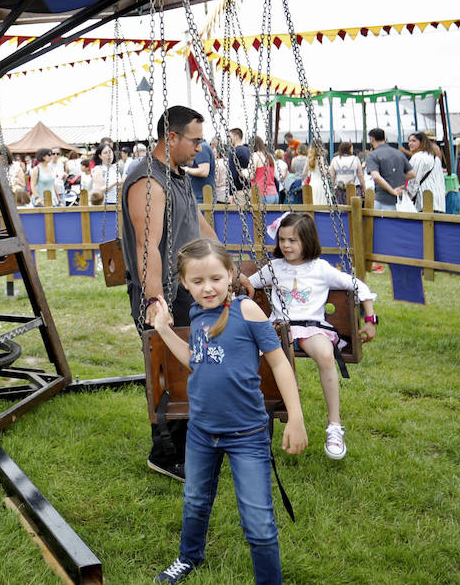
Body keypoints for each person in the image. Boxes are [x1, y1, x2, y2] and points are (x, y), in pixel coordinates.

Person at [149, 237, 306, 585]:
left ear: (231, 275)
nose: (208, 288)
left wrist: (295, 418)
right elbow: (197, 359)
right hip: (202, 432)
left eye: (216, 279)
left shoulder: (246, 310)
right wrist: (162, 329)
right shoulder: (196, 313)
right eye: (198, 281)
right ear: (186, 284)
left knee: (259, 524)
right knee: (195, 501)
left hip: (247, 435)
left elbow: (279, 364)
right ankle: (189, 557)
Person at [121, 105, 220, 481]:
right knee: (169, 373)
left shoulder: (177, 176)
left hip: (186, 290)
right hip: (162, 293)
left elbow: (197, 223)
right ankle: (164, 455)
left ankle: (190, 444)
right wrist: (153, 300)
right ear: (172, 137)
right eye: (194, 140)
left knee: (192, 369)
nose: (200, 148)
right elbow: (148, 245)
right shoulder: (149, 182)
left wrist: (225, 266)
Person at [254, 212, 377, 461]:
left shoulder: (320, 268)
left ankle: (334, 426)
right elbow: (249, 283)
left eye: (293, 240)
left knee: (325, 354)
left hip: (311, 327)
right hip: (279, 327)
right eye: (282, 240)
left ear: (307, 241)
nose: (286, 246)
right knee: (256, 357)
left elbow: (358, 286)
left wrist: (370, 319)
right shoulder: (274, 267)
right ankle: (256, 419)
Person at [365, 128, 412, 211]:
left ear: (372, 139)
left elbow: (376, 177)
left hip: (382, 200)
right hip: (400, 202)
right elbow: (412, 173)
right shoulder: (399, 153)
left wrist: (392, 191)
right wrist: (396, 177)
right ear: (384, 138)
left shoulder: (372, 155)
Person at [406, 132, 447, 213]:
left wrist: (407, 199)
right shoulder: (435, 158)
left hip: (424, 201)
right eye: (409, 141)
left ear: (422, 142)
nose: (410, 143)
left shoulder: (418, 157)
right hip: (439, 202)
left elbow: (414, 181)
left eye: (414, 141)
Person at [182, 136, 214, 206]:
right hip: (197, 197)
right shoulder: (202, 146)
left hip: (202, 198)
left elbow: (204, 171)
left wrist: (185, 169)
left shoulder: (202, 148)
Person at [247, 137, 279, 205]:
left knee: (258, 215)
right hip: (274, 193)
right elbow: (276, 175)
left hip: (262, 193)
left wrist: (243, 172)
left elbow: (250, 175)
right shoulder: (269, 156)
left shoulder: (255, 155)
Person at [223, 127, 250, 199]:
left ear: (236, 137)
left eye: (230, 137)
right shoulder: (248, 150)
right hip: (249, 188)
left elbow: (232, 173)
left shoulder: (233, 151)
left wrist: (231, 193)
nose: (229, 139)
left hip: (238, 189)